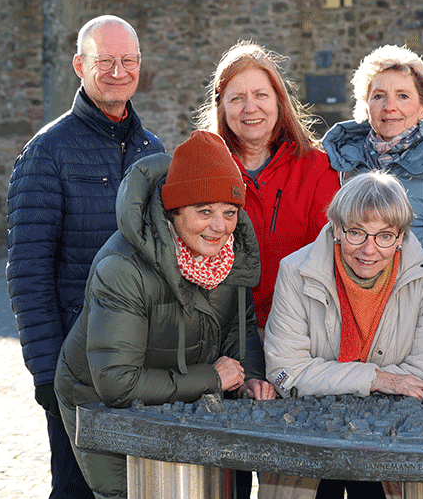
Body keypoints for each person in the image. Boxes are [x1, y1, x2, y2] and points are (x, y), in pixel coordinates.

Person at [54, 130, 275, 499]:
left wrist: (250, 376)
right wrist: (211, 378)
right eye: (204, 212)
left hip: (181, 391)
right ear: (173, 212)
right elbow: (117, 382)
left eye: (229, 212)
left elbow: (242, 328)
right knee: (136, 492)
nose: (219, 227)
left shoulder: (228, 256)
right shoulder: (122, 268)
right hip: (101, 403)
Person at [6, 15, 165, 499]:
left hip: (145, 365)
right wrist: (46, 375)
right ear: (80, 65)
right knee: (78, 492)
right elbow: (28, 275)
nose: (118, 71)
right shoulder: (46, 153)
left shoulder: (151, 149)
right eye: (105, 61)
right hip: (77, 371)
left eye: (128, 60)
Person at [261, 171, 423, 499]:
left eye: (384, 236)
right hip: (310, 437)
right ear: (337, 228)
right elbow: (286, 372)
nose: (369, 249)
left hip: (394, 440)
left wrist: (324, 377)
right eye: (356, 233)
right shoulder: (295, 271)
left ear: (401, 236)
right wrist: (377, 379)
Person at [322, 45, 423, 388]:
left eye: (402, 95)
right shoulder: (341, 169)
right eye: (378, 95)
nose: (389, 106)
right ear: (365, 106)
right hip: (358, 332)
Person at [198, 40, 340, 332]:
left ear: (278, 100)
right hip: (223, 334)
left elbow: (328, 262)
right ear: (221, 107)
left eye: (261, 94)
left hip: (300, 331)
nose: (251, 108)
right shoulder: (202, 172)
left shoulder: (317, 169)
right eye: (237, 98)